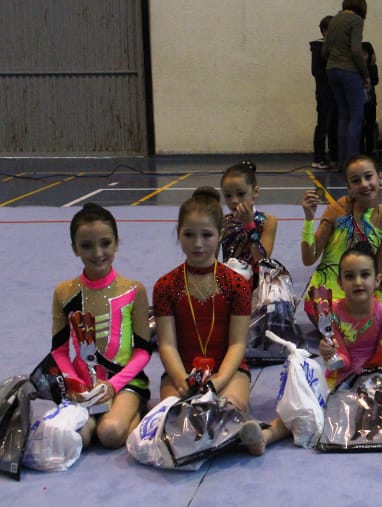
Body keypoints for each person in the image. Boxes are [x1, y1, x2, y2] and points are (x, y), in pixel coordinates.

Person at [152, 187, 263, 454]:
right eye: (189, 235)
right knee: (176, 416)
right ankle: (231, 437)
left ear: (220, 234)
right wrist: (181, 379)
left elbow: (237, 344)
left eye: (206, 235)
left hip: (228, 369)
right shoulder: (165, 286)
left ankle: (256, 434)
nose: (198, 244)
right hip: (181, 370)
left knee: (232, 405)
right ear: (178, 234)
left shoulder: (236, 284)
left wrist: (219, 380)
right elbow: (166, 344)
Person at [259, 242, 382, 450]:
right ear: (340, 282)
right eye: (349, 276)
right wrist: (330, 354)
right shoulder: (330, 312)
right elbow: (343, 362)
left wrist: (367, 387)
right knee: (305, 406)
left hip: (374, 378)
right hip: (338, 379)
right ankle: (266, 435)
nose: (358, 282)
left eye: (365, 275)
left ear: (378, 280)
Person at [49, 204, 151, 449]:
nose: (97, 253)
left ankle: (137, 410)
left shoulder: (133, 290)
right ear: (74, 248)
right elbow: (59, 351)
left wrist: (113, 386)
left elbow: (143, 351)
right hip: (83, 385)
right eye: (86, 246)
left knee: (110, 433)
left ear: (117, 243)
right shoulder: (64, 292)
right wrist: (73, 381)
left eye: (105, 243)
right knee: (79, 438)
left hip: (125, 382)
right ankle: (102, 416)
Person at [301, 153, 382, 320]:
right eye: (356, 180)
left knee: (375, 320)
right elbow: (308, 259)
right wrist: (309, 219)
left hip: (361, 294)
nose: (364, 184)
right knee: (348, 326)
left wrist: (380, 307)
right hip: (326, 294)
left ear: (380, 177)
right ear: (348, 187)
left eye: (368, 177)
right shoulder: (337, 210)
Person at [324, 0, 371, 168]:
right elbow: (356, 50)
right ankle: (352, 163)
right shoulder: (356, 20)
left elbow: (325, 49)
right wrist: (365, 75)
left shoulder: (334, 20)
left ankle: (341, 161)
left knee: (343, 116)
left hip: (331, 70)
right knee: (356, 117)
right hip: (349, 71)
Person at [219, 161, 278, 269]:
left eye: (241, 194)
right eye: (228, 195)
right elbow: (211, 260)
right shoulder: (222, 221)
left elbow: (262, 260)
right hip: (229, 277)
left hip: (256, 278)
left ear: (255, 192)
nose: (234, 201)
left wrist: (249, 225)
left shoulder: (268, 221)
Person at [310, 14, 337, 169]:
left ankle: (333, 154)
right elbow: (316, 71)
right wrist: (332, 74)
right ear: (325, 31)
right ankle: (319, 156)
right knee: (323, 124)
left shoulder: (336, 47)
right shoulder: (318, 47)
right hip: (324, 92)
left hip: (335, 91)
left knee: (334, 124)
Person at [361, 41, 380, 158]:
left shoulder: (372, 66)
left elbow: (375, 80)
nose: (363, 57)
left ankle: (370, 151)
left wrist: (372, 65)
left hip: (370, 100)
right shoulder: (356, 68)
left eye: (365, 54)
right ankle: (360, 151)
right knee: (360, 126)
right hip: (360, 101)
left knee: (370, 125)